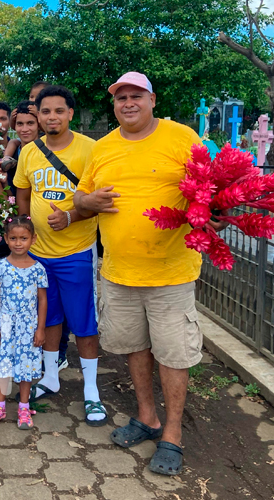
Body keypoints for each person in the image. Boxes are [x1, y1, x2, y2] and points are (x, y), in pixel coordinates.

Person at [74, 72, 224, 475]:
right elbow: (81, 196)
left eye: (135, 95)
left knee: (173, 355)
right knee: (133, 348)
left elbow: (213, 189)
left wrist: (217, 213)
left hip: (171, 273)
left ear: (152, 99)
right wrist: (86, 199)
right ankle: (147, 417)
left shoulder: (181, 137)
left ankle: (172, 434)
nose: (128, 103)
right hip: (120, 272)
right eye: (120, 97)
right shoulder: (103, 148)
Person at [13, 85, 107, 426]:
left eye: (58, 111)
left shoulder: (90, 150)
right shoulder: (29, 152)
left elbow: (99, 201)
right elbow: (24, 196)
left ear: (70, 113)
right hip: (39, 255)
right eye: (45, 111)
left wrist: (70, 217)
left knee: (83, 320)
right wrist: (25, 234)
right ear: (37, 115)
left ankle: (92, 391)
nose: (51, 117)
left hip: (75, 253)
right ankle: (50, 377)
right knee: (47, 317)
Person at [0, 215, 47, 430]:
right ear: (5, 239)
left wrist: (40, 329)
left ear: (33, 239)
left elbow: (42, 299)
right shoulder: (0, 266)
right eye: (13, 238)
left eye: (23, 238)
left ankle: (23, 406)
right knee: (4, 366)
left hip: (28, 328)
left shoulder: (38, 268)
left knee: (26, 366)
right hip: (6, 326)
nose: (18, 243)